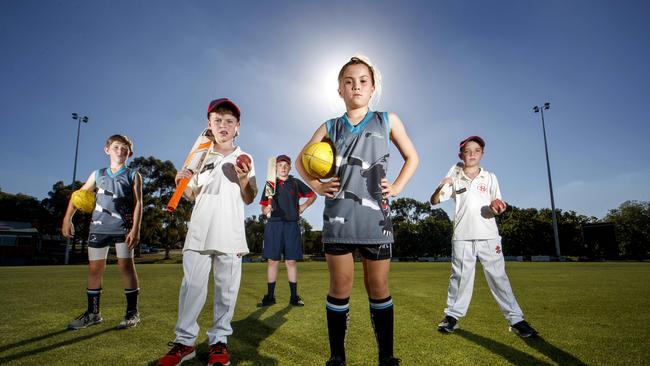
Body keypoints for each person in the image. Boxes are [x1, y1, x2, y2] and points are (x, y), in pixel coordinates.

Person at [296, 56, 419, 366]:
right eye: (348, 82)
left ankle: (386, 356)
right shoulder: (329, 125)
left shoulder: (388, 119)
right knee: (340, 286)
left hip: (376, 219)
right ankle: (337, 356)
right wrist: (317, 186)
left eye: (363, 80)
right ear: (340, 90)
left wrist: (399, 187)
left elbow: (412, 157)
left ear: (373, 87)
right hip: (338, 217)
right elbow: (300, 161)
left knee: (378, 286)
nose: (356, 86)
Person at [157, 98, 257, 366]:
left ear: (238, 127)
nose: (223, 125)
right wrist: (182, 183)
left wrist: (244, 179)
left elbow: (250, 197)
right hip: (200, 230)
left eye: (229, 121)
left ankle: (219, 342)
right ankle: (185, 342)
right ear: (209, 125)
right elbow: (191, 194)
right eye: (217, 120)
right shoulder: (199, 157)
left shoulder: (244, 157)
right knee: (192, 288)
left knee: (226, 291)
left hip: (231, 233)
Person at [430, 135, 538, 338]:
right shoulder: (454, 176)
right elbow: (434, 201)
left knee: (499, 278)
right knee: (460, 278)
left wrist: (497, 208)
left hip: (489, 235)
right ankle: (451, 317)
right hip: (462, 235)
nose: (472, 154)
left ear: (482, 154)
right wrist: (440, 186)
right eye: (467, 151)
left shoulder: (490, 177)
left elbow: (496, 202)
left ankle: (516, 320)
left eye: (476, 150)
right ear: (460, 154)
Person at [62, 134, 143, 330]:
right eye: (116, 147)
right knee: (94, 269)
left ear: (129, 154)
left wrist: (135, 229)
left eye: (124, 149)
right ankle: (93, 314)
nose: (120, 151)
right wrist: (67, 218)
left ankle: (132, 313)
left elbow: (139, 202)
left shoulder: (133, 175)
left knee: (126, 267)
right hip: (98, 228)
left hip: (122, 228)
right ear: (107, 150)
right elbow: (79, 195)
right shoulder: (97, 174)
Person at [258, 154, 316, 307]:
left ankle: (294, 297)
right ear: (275, 168)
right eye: (280, 165)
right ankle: (270, 297)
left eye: (286, 165)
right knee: (272, 261)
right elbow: (263, 207)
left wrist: (303, 206)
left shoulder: (295, 183)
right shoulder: (270, 184)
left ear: (290, 167)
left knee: (290, 262)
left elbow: (312, 195)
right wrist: (266, 210)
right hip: (274, 225)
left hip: (291, 225)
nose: (283, 168)